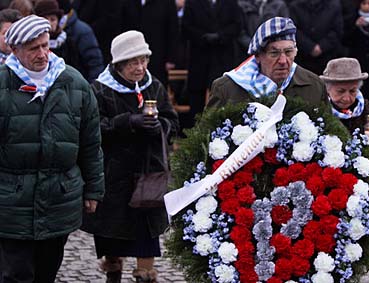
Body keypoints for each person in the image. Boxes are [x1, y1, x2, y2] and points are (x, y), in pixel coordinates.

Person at [0, 15, 104, 282]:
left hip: (59, 197)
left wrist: (93, 188)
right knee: (15, 273)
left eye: (46, 45)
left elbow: (91, 142)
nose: (43, 54)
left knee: (47, 272)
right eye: (34, 48)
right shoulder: (3, 84)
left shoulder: (74, 83)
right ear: (15, 50)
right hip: (10, 200)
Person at [81, 31, 179, 283]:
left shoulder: (153, 85)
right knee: (112, 235)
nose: (140, 67)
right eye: (133, 63)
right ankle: (113, 272)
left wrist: (161, 127)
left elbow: (172, 121)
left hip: (148, 174)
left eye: (143, 61)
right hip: (114, 176)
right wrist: (127, 122)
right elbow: (92, 128)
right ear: (120, 64)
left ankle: (144, 276)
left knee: (146, 236)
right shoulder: (100, 90)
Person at [207, 17, 328, 108]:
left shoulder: (314, 86)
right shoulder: (227, 89)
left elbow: (329, 133)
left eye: (288, 52)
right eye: (274, 53)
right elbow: (205, 137)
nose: (283, 61)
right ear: (258, 56)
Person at [320, 57, 369, 168]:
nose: (347, 98)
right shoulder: (319, 109)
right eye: (340, 91)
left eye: (352, 91)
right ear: (327, 89)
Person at [183, 0, 242, 127]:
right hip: (199, 57)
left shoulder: (230, 3)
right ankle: (195, 132)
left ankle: (222, 129)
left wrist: (220, 36)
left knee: (224, 94)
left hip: (223, 57)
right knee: (196, 98)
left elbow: (237, 25)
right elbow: (186, 26)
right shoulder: (192, 2)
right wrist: (203, 37)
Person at [289, 0, 344, 75]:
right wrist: (310, 47)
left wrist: (321, 47)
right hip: (302, 57)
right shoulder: (295, 6)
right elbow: (293, 29)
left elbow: (337, 30)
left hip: (327, 57)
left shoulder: (334, 5)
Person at [55, 0, 104, 82]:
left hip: (79, 86)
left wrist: (91, 90)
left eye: (52, 18)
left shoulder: (81, 31)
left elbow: (95, 64)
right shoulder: (46, 34)